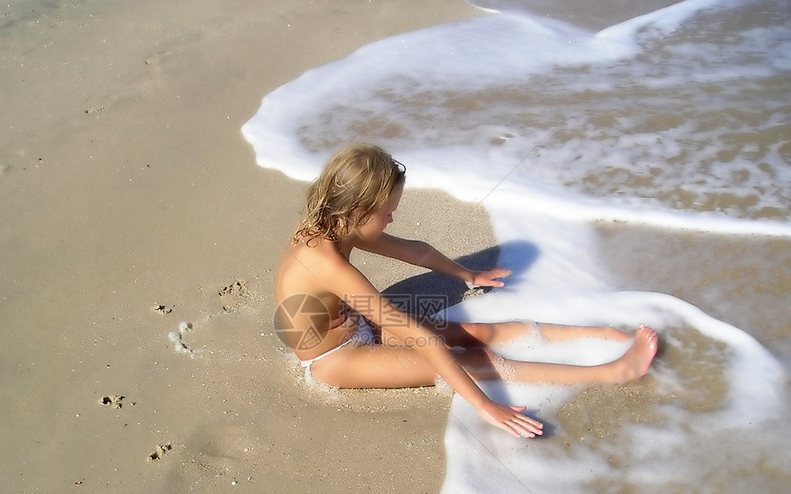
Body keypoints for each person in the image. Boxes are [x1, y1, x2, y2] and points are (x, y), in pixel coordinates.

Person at [274, 144, 658, 438]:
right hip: (335, 359)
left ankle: (597, 333)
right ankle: (612, 370)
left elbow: (414, 250)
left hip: (355, 325)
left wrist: (468, 275)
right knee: (471, 359)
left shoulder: (337, 224)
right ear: (358, 209)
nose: (392, 218)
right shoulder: (325, 261)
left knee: (478, 332)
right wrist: (485, 406)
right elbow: (416, 335)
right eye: (387, 211)